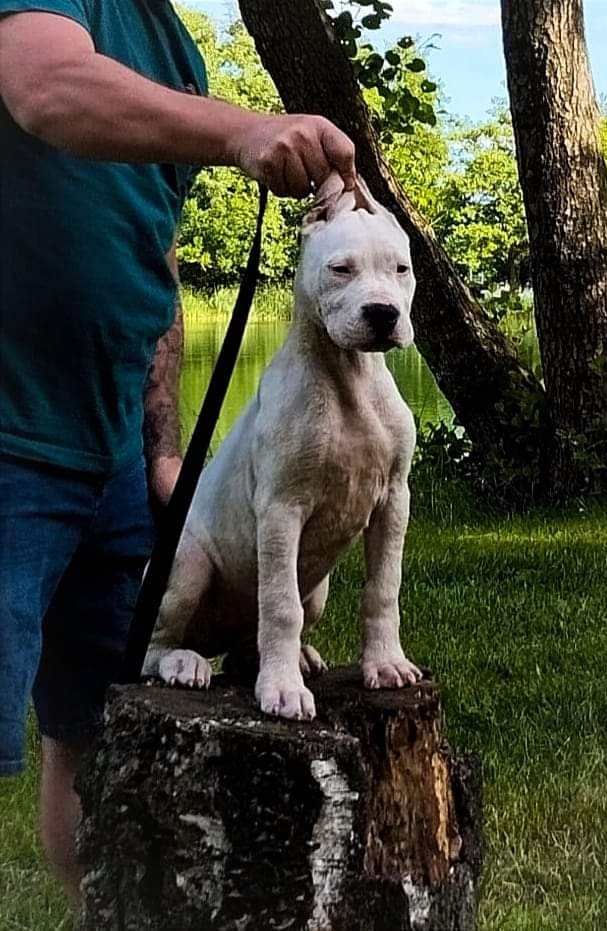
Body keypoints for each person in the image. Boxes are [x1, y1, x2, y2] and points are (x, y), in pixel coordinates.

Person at [0, 0, 356, 904]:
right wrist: (245, 132)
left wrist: (161, 451)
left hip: (110, 457)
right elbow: (45, 86)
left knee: (89, 731)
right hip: (9, 443)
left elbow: (148, 267)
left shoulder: (171, 49)